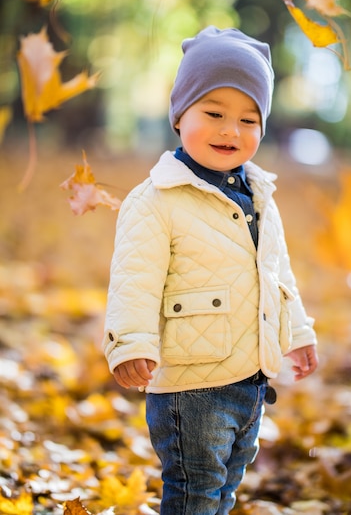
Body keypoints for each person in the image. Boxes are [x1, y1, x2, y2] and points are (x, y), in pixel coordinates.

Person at [103, 26, 318, 515]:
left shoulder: (261, 196)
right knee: (195, 491)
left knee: (225, 488)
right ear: (180, 117)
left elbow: (279, 274)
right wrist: (130, 343)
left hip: (251, 379)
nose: (231, 130)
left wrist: (299, 333)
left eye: (248, 119)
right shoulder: (157, 199)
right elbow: (135, 278)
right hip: (190, 387)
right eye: (214, 113)